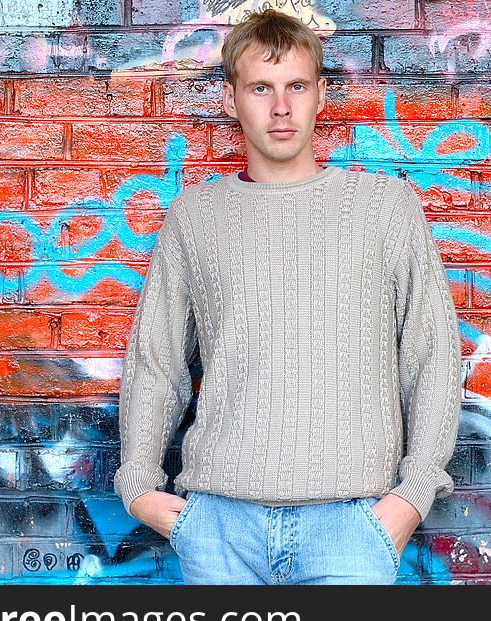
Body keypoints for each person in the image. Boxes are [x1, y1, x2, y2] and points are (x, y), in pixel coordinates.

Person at [113, 8, 462, 585]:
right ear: (232, 99)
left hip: (353, 529)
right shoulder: (196, 216)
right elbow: (156, 363)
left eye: (297, 86)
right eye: (261, 88)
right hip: (220, 529)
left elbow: (432, 357)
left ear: (321, 96)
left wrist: (412, 495)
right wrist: (139, 488)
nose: (281, 108)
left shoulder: (384, 209)